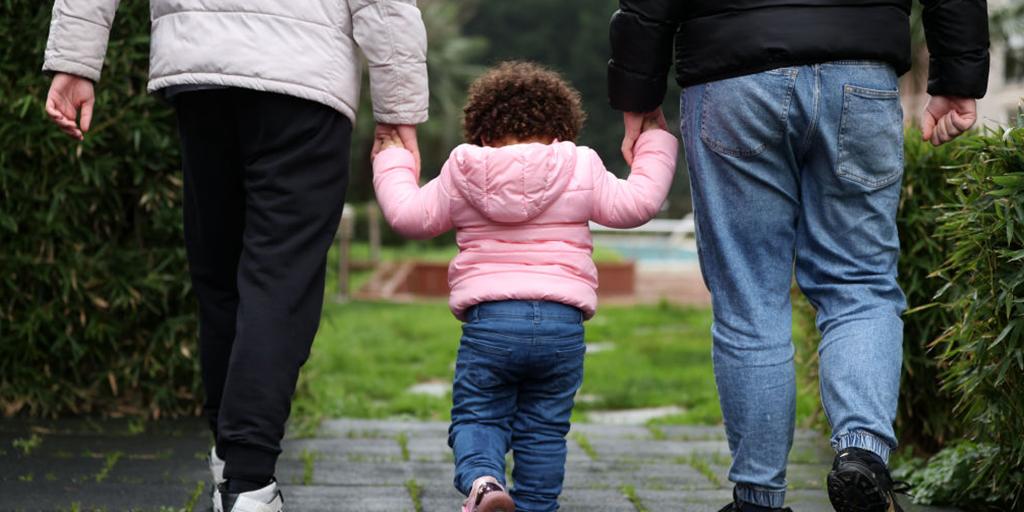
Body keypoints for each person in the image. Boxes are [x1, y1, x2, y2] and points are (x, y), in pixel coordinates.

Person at [42, 1, 429, 511]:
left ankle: (232, 460)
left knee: (221, 274)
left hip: (201, 67)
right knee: (280, 280)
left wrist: (75, 59)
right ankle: (248, 480)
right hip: (304, 76)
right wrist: (398, 112)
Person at [607, 1, 989, 511]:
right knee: (859, 285)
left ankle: (759, 498)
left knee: (750, 298)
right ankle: (862, 454)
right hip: (861, 70)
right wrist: (958, 73)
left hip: (732, 73)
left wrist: (639, 93)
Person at [371, 61, 677, 512]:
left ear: (481, 127)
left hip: (491, 323)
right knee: (544, 429)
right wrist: (651, 138)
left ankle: (484, 483)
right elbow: (639, 203)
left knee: (478, 414)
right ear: (561, 124)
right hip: (561, 325)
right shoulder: (580, 164)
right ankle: (535, 505)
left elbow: (408, 215)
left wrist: (392, 157)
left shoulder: (463, 168)